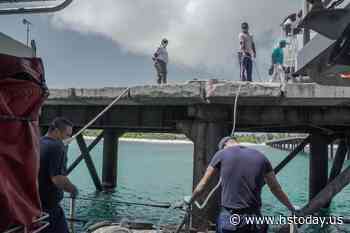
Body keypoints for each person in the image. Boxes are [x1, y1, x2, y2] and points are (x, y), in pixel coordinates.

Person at [188, 136, 295, 233]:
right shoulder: (262, 157)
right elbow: (276, 188)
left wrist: (190, 201)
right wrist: (291, 207)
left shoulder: (221, 154)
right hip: (255, 219)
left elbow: (203, 184)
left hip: (230, 218)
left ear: (224, 146)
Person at [38, 117, 78, 233]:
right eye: (67, 134)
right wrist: (73, 189)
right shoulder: (57, 147)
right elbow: (57, 179)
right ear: (56, 131)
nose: (69, 138)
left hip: (35, 204)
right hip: (50, 207)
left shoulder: (38, 142)